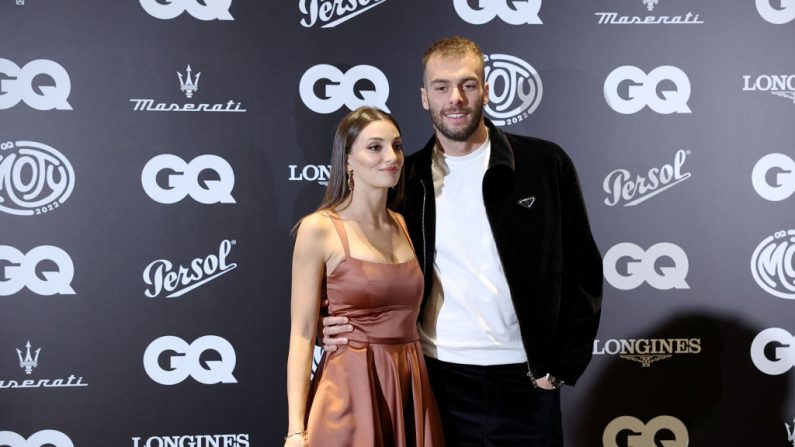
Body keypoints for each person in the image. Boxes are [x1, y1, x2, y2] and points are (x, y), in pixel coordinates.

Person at [323, 36, 603, 446]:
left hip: (527, 379)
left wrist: (561, 365)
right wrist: (325, 324)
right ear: (424, 97)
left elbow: (584, 267)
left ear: (486, 91)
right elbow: (357, 257)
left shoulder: (544, 164)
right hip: (438, 379)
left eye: (468, 85)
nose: (455, 98)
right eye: (441, 87)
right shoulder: (407, 177)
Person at [285, 107, 444, 446]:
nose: (392, 157)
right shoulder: (319, 229)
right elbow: (300, 335)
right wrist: (296, 430)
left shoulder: (405, 224)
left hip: (410, 383)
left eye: (397, 146)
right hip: (348, 387)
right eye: (375, 147)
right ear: (347, 160)